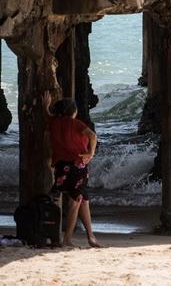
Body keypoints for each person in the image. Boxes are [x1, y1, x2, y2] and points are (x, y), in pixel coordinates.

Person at [43, 91, 101, 248]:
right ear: (73, 112)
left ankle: (91, 236)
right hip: (77, 166)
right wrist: (91, 152)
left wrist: (46, 106)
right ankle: (67, 239)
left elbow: (48, 116)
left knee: (83, 201)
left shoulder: (54, 121)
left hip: (62, 168)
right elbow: (93, 136)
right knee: (75, 202)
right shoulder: (76, 124)